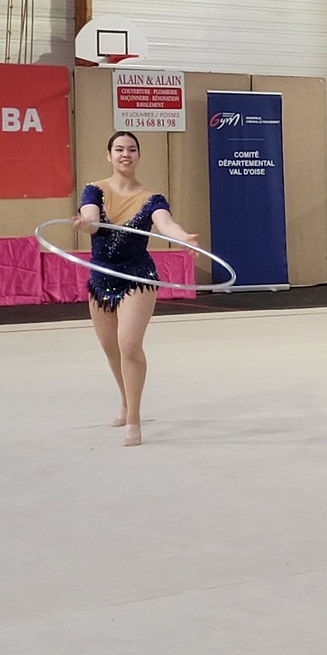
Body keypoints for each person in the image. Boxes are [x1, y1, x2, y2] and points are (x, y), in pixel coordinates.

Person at [72, 131, 199, 447]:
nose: (125, 154)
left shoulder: (152, 198)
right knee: (111, 348)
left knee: (128, 344)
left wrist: (183, 237)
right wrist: (86, 224)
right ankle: (125, 400)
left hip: (137, 276)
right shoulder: (95, 190)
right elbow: (91, 218)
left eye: (131, 149)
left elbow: (165, 224)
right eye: (119, 149)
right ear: (109, 155)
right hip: (101, 278)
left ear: (138, 156)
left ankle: (134, 418)